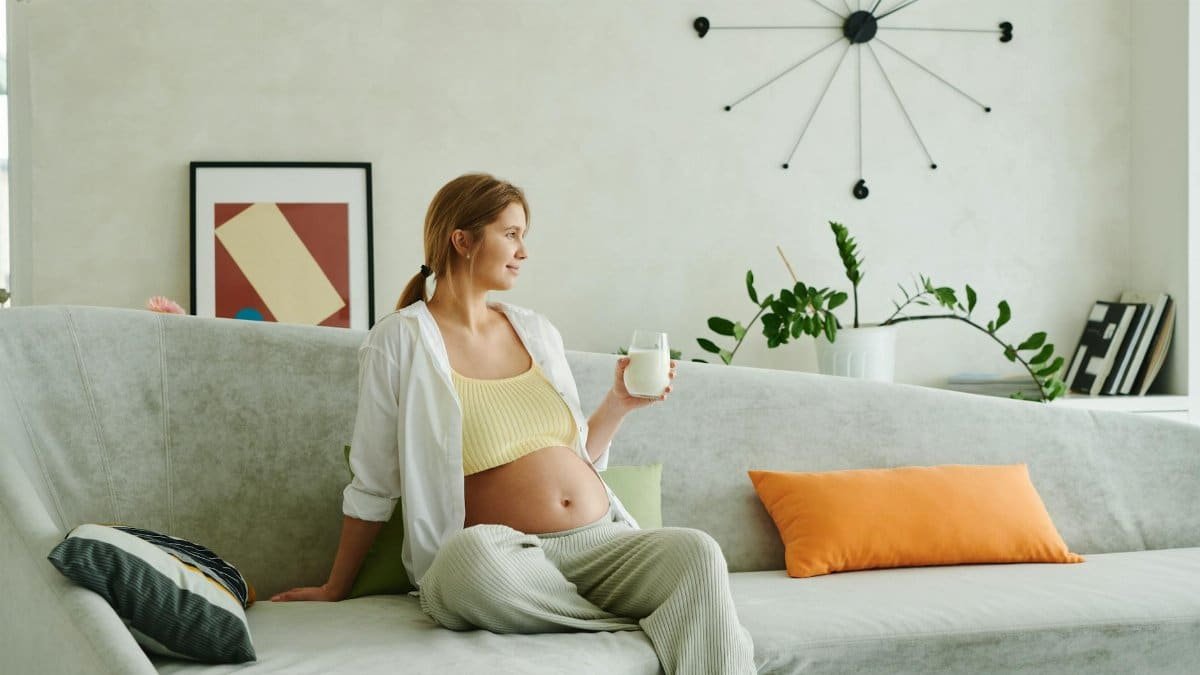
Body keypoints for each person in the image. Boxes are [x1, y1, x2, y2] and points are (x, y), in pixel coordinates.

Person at [271, 173, 756, 674]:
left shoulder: (537, 330)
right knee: (468, 563)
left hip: (601, 545)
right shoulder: (399, 341)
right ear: (462, 240)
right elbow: (374, 482)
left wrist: (618, 403)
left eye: (524, 236)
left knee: (696, 551)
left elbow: (577, 457)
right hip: (503, 561)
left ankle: (652, 619)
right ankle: (641, 622)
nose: (523, 251)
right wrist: (336, 587)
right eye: (511, 234)